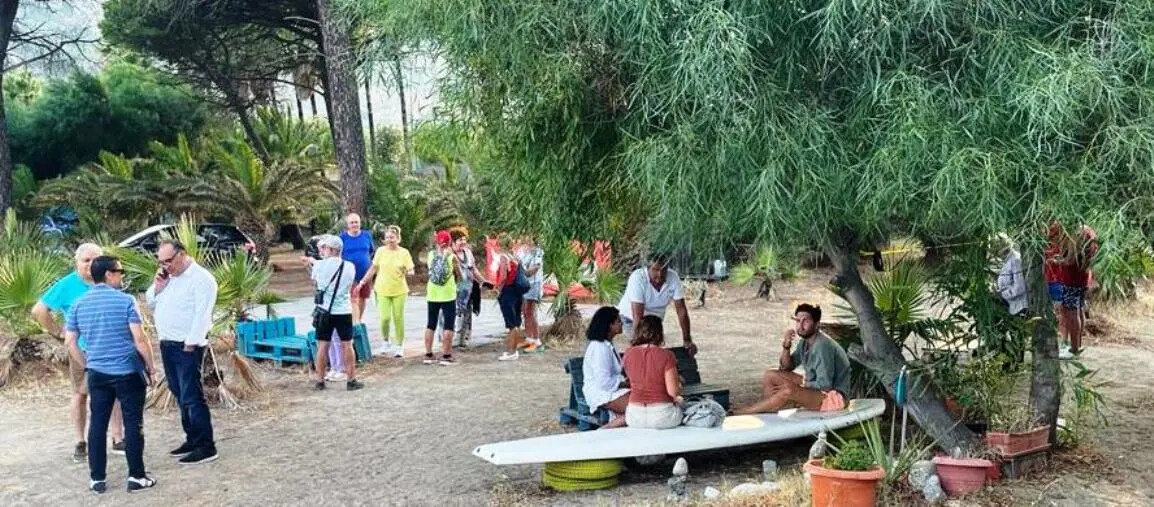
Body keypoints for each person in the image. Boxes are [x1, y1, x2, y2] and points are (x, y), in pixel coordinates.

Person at [65, 256, 157, 493]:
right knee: (133, 423)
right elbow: (139, 339)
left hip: (97, 373)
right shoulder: (126, 301)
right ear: (108, 274)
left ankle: (97, 479)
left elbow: (70, 342)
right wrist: (151, 366)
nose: (122, 275)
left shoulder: (78, 304)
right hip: (127, 371)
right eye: (119, 271)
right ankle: (136, 476)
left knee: (97, 424)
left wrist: (87, 363)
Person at [31, 243, 125, 462]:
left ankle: (117, 437)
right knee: (81, 394)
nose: (92, 265)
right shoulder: (67, 285)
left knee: (114, 393)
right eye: (86, 261)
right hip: (81, 349)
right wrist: (59, 333)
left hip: (109, 347)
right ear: (77, 263)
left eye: (96, 259)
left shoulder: (110, 280)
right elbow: (39, 310)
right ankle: (80, 442)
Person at [146, 240, 219, 465]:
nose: (165, 266)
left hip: (187, 345)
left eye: (169, 261)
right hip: (168, 343)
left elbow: (202, 314)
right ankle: (192, 439)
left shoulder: (201, 279)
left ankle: (206, 445)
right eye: (161, 262)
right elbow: (151, 303)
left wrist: (191, 343)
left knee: (191, 396)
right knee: (179, 393)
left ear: (182, 254)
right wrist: (158, 286)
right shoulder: (169, 278)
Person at [733, 304, 851, 415]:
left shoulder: (822, 346)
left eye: (806, 321)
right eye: (798, 321)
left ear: (816, 324)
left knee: (789, 390)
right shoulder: (805, 343)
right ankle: (770, 412)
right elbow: (786, 367)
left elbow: (825, 385)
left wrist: (798, 388)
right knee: (770, 375)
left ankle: (747, 411)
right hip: (817, 387)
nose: (800, 325)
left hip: (834, 397)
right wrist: (786, 345)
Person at [302, 235, 362, 390]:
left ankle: (320, 381)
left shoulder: (319, 266)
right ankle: (351, 379)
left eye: (325, 248)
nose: (323, 251)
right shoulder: (349, 266)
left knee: (322, 346)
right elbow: (349, 285)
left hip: (324, 311)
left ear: (331, 249)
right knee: (347, 345)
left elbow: (316, 283)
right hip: (343, 310)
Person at [616, 253, 695, 355]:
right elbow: (637, 315)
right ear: (648, 268)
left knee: (653, 352)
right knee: (644, 350)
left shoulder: (673, 277)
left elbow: (681, 311)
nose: (660, 274)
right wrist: (636, 344)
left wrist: (687, 339)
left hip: (654, 322)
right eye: (655, 270)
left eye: (664, 269)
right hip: (630, 319)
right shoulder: (637, 278)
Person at [357, 225, 414, 358]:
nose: (390, 240)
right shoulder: (380, 251)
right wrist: (362, 282)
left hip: (399, 289)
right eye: (387, 237)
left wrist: (410, 272)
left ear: (398, 238)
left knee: (398, 317)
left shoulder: (404, 252)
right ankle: (385, 340)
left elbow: (410, 268)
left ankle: (399, 345)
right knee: (385, 318)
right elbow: (373, 269)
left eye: (392, 237)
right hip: (382, 289)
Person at [621, 316, 683, 429]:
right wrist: (679, 383)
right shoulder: (667, 355)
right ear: (660, 333)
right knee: (682, 404)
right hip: (663, 416)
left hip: (634, 416)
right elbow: (673, 392)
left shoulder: (628, 354)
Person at [582, 307, 630, 429]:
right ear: (609, 325)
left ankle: (615, 424)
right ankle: (604, 430)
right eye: (618, 321)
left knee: (645, 403)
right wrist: (625, 384)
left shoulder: (608, 344)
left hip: (613, 388)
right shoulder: (599, 348)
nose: (621, 324)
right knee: (639, 408)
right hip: (601, 392)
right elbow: (603, 382)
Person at [1060, 225, 1098, 359]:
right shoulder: (1090, 232)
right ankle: (1077, 346)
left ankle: (1074, 349)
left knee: (1071, 312)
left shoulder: (1078, 233)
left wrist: (1059, 261)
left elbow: (1071, 259)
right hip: (1083, 278)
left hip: (1072, 278)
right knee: (1079, 309)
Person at [423, 230, 460, 365]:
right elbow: (459, 274)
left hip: (432, 294)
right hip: (448, 294)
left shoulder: (431, 255)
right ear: (449, 242)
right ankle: (446, 355)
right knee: (448, 325)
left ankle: (428, 354)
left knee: (431, 323)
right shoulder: (452, 256)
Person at [450, 229, 486, 348]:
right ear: (453, 242)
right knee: (456, 312)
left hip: (469, 289)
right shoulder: (449, 255)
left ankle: (465, 337)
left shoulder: (468, 253)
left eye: (464, 239)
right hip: (454, 290)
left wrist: (483, 281)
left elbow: (473, 269)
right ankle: (454, 338)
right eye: (460, 240)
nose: (463, 242)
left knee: (467, 312)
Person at [494, 235, 526, 361]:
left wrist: (497, 289)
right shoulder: (515, 257)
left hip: (507, 291)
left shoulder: (504, 257)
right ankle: (514, 350)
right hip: (517, 291)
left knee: (511, 323)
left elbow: (503, 277)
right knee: (517, 322)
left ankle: (511, 351)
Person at [339, 213, 375, 323]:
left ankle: (358, 319)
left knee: (363, 298)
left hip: (365, 274)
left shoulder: (366, 235)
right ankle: (354, 322)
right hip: (349, 274)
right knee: (352, 298)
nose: (354, 224)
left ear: (360, 223)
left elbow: (371, 251)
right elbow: (339, 254)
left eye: (356, 222)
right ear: (348, 225)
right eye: (352, 222)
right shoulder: (342, 237)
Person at [516, 237, 545, 351]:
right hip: (523, 283)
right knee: (524, 311)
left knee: (530, 311)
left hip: (533, 284)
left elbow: (536, 267)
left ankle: (537, 340)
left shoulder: (538, 251)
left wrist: (524, 273)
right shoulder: (522, 250)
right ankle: (529, 338)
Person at [994, 233, 1028, 317]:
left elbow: (1020, 287)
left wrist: (1002, 294)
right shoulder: (1006, 261)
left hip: (1020, 307)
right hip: (1013, 307)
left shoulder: (1015, 260)